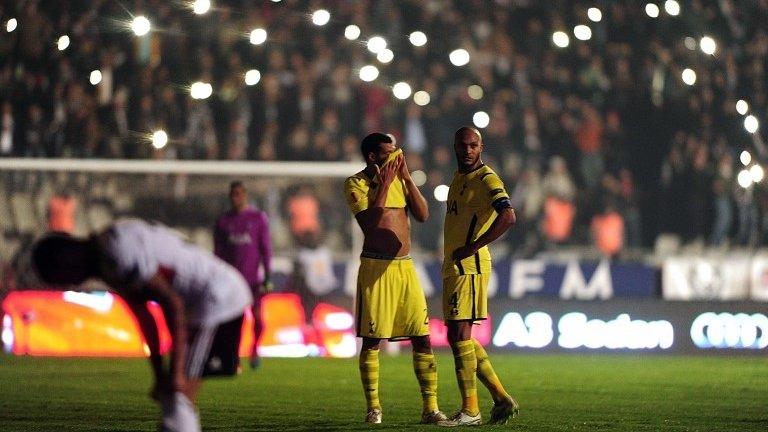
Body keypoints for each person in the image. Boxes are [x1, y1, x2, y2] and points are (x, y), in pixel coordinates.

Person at [31, 219, 252, 432]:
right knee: (175, 400)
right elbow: (144, 316)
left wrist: (174, 372)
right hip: (206, 300)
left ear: (67, 261)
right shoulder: (108, 253)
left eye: (61, 278)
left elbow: (172, 304)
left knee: (178, 398)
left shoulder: (117, 254)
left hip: (218, 298)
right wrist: (159, 373)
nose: (70, 283)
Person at [343, 132, 446, 425]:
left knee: (422, 337)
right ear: (373, 157)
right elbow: (371, 225)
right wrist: (385, 183)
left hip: (405, 268)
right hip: (376, 269)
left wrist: (407, 179)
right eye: (390, 152)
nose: (397, 156)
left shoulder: (401, 179)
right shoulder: (355, 184)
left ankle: (430, 409)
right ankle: (374, 408)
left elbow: (423, 215)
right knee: (373, 340)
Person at [438, 127, 519, 427]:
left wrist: (473, 246)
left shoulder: (487, 179)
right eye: (463, 145)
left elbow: (508, 216)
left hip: (469, 265)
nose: (468, 150)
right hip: (455, 265)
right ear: (455, 146)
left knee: (460, 335)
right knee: (456, 336)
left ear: (481, 147)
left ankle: (471, 410)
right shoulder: (459, 178)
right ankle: (500, 398)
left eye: (474, 145)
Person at [214, 181, 272, 369]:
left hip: (253, 280)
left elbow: (265, 249)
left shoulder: (257, 218)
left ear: (245, 195)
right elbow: (218, 253)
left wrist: (268, 276)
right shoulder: (223, 222)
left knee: (257, 318)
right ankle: (234, 357)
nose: (236, 197)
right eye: (233, 194)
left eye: (239, 193)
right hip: (232, 281)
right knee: (234, 321)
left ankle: (255, 349)